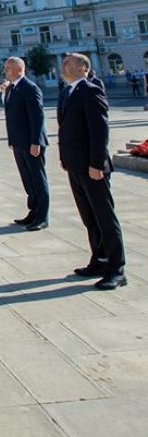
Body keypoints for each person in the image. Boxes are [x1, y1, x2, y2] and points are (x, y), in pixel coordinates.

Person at [58, 54, 127, 290]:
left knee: (105, 217)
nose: (64, 66)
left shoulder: (90, 89)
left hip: (92, 166)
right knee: (89, 217)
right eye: (63, 62)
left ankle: (117, 269)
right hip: (75, 165)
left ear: (83, 68)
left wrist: (97, 164)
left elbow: (100, 130)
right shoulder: (67, 91)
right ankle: (99, 259)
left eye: (69, 63)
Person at [3, 56, 49, 230]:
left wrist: (36, 142)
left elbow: (37, 117)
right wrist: (12, 139)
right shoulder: (11, 89)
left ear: (18, 69)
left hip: (31, 143)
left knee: (38, 179)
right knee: (28, 180)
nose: (6, 71)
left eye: (8, 68)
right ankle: (33, 212)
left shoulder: (30, 88)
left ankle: (42, 217)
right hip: (18, 142)